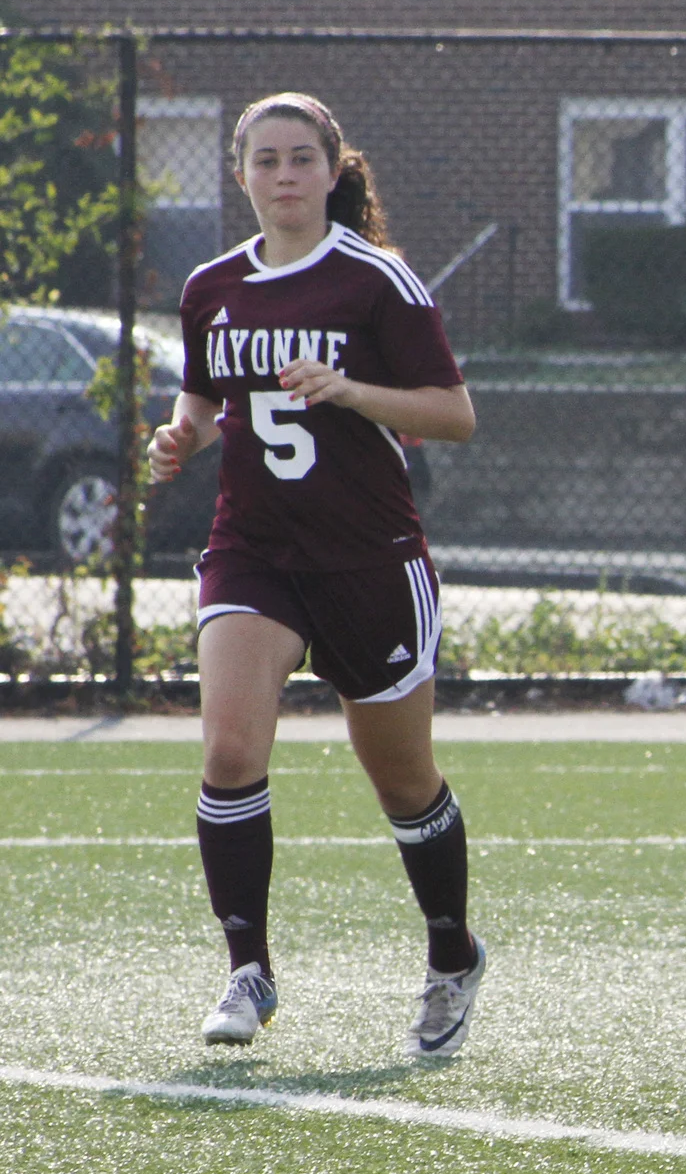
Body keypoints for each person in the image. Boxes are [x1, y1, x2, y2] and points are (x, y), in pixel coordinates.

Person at [148, 93, 486, 1059]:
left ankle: (452, 953)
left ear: (334, 170)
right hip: (256, 549)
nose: (285, 175)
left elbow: (453, 415)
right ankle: (246, 971)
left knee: (403, 779)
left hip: (368, 559)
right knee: (228, 751)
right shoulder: (213, 287)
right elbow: (208, 401)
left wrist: (351, 392)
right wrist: (182, 437)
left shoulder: (378, 281)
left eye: (303, 158)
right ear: (240, 172)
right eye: (267, 159)